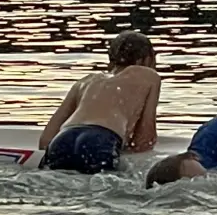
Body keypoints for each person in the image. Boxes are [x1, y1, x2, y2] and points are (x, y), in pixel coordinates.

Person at [37, 30, 161, 174]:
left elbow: (45, 140)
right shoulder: (148, 76)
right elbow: (145, 140)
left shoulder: (86, 81)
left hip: (63, 139)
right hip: (100, 141)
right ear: (146, 59)